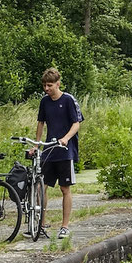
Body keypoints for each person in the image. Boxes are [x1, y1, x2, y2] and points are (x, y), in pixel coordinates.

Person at [31, 68, 83, 239]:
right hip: (49, 149)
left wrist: (66, 138)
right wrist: (37, 145)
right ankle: (41, 224)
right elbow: (41, 123)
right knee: (41, 186)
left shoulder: (68, 100)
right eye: (45, 85)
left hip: (65, 150)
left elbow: (76, 124)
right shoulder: (44, 102)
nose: (47, 89)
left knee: (64, 188)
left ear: (58, 84)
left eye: (50, 85)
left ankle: (65, 226)